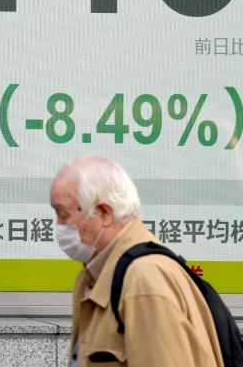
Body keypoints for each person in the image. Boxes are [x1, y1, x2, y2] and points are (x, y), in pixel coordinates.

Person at [50, 155, 223, 367]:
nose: (59, 225)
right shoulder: (95, 276)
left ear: (104, 213)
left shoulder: (144, 280)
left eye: (63, 214)